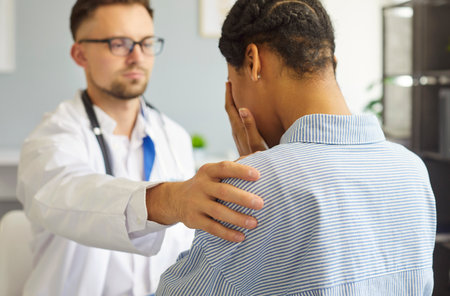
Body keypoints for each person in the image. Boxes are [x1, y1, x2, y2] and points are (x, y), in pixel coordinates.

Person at [156, 0, 437, 295]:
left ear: (253, 62)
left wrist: (259, 172)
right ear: (332, 64)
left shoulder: (251, 188)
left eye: (231, 83)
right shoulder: (413, 172)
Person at [16, 0, 265, 295]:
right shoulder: (51, 138)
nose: (137, 57)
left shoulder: (174, 136)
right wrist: (172, 200)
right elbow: (69, 194)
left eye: (146, 42)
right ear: (80, 54)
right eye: (118, 44)